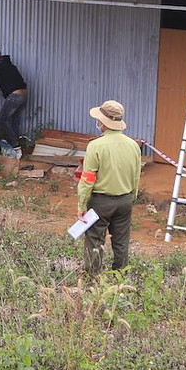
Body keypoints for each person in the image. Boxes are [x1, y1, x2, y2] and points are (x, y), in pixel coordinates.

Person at [75, 99, 142, 275]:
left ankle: (93, 278)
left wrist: (81, 205)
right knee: (121, 241)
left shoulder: (96, 146)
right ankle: (120, 277)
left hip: (100, 202)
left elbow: (87, 179)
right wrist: (131, 197)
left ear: (103, 123)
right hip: (125, 200)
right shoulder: (133, 145)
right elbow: (136, 175)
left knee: (95, 240)